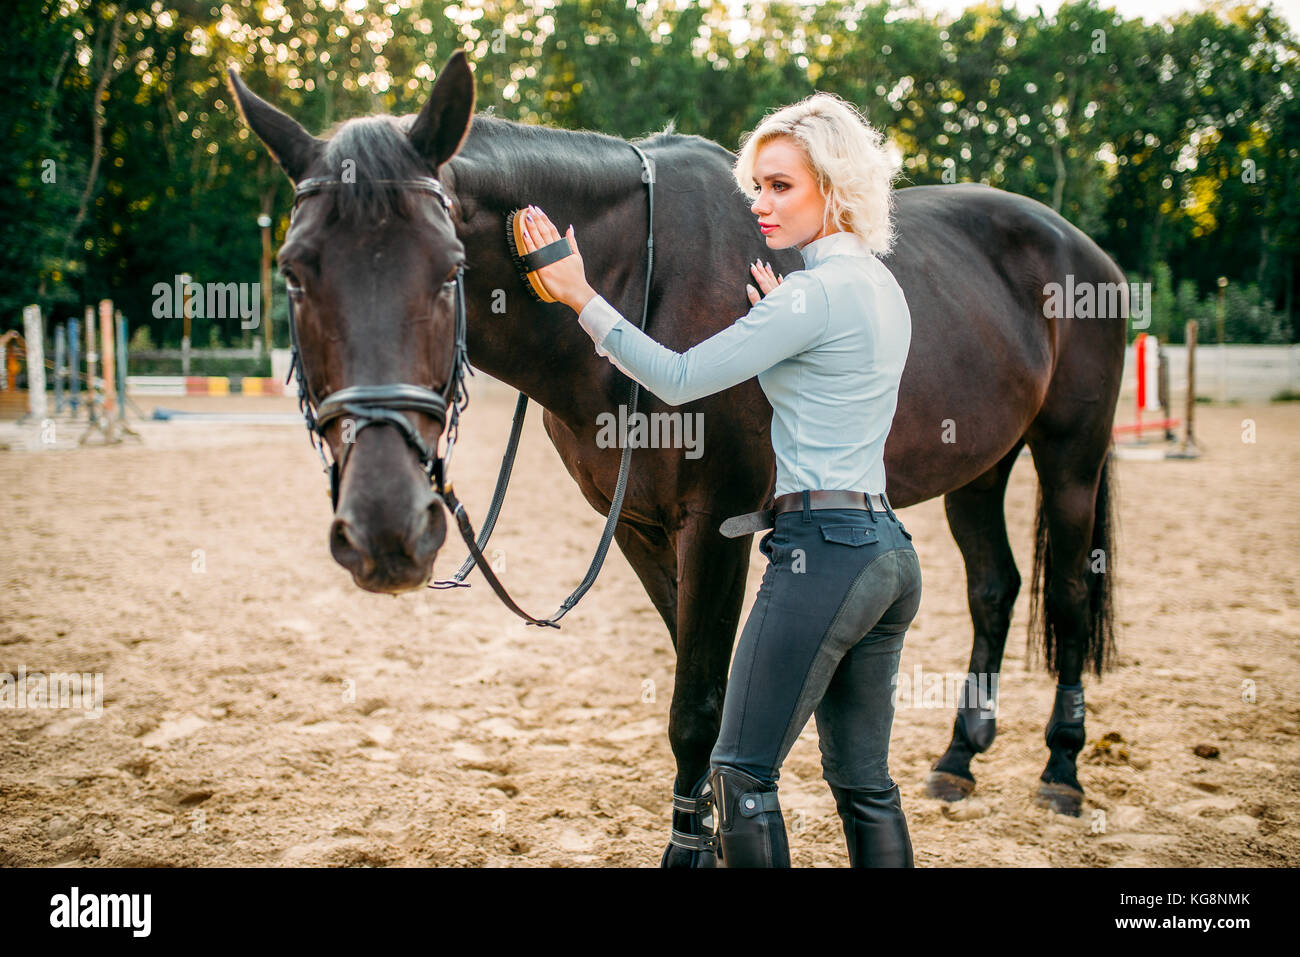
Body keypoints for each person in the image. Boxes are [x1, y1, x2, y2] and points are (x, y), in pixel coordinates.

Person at [517, 91, 920, 868]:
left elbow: (674, 376)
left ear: (832, 188)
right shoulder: (879, 288)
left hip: (822, 556)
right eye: (757, 186)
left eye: (781, 186)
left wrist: (581, 296)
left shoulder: (808, 296)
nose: (760, 205)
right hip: (887, 554)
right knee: (865, 783)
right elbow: (826, 384)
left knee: (740, 775)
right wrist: (783, 322)